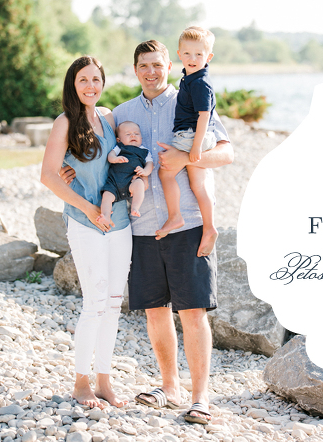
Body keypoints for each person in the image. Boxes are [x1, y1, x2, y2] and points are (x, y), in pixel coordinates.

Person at [112, 39, 233, 425]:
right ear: (135, 70)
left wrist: (187, 156)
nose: (151, 72)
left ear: (170, 65)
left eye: (157, 65)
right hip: (141, 227)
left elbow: (227, 153)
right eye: (143, 65)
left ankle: (201, 398)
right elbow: (101, 161)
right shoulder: (121, 113)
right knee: (154, 311)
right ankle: (169, 387)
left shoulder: (191, 98)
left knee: (194, 312)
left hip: (190, 223)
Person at [40, 56, 130, 409]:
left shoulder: (108, 117)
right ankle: (81, 384)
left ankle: (104, 381)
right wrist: (87, 208)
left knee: (113, 305)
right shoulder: (65, 123)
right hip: (85, 222)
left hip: (119, 222)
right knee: (94, 304)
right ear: (72, 84)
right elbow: (48, 175)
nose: (90, 86)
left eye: (96, 79)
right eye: (83, 80)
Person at [157, 26, 218, 258]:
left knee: (166, 173)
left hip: (192, 135)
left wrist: (194, 147)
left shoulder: (200, 83)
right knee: (198, 186)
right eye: (188, 54)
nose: (193, 59)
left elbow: (204, 116)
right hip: (194, 136)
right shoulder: (191, 78)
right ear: (179, 54)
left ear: (208, 57)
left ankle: (175, 216)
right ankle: (210, 226)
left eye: (199, 54)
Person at [98, 121, 154, 226]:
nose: (133, 135)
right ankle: (105, 215)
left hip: (131, 181)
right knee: (106, 196)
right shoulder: (119, 147)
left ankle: (135, 207)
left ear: (141, 138)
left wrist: (145, 171)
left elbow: (150, 164)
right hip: (114, 183)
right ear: (119, 140)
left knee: (140, 185)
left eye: (136, 134)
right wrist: (115, 159)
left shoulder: (144, 151)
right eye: (128, 134)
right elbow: (110, 156)